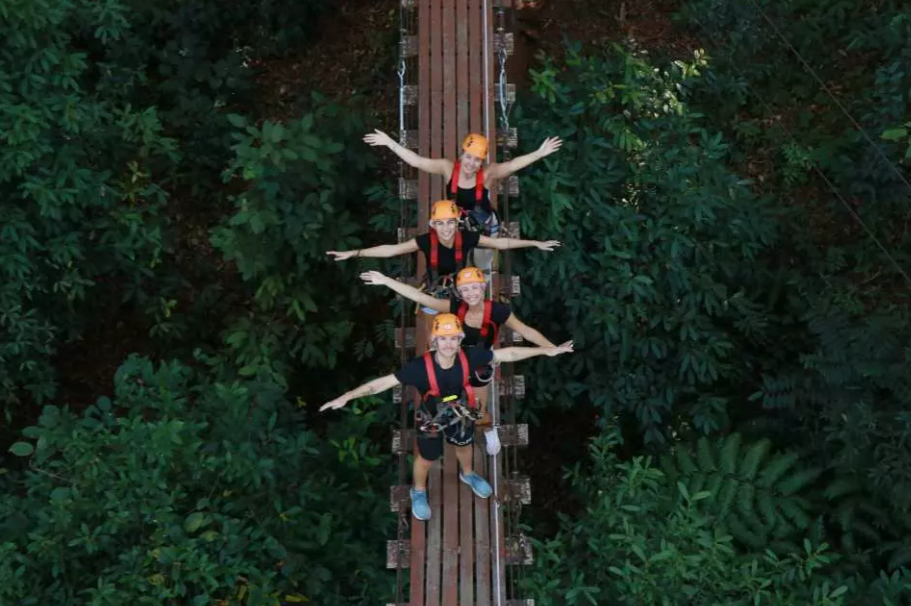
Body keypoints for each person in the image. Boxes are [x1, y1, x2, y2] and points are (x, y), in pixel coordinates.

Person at [320, 313, 573, 521]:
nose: (449, 344)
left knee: (464, 444)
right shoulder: (419, 368)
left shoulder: (470, 356)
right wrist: (348, 396)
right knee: (427, 457)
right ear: (434, 341)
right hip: (431, 416)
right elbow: (382, 384)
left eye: (453, 339)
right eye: (443, 339)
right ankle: (418, 491)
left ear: (460, 340)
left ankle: (468, 473)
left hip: (460, 412)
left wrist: (544, 350)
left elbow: (508, 354)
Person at [358, 266, 558, 454]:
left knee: (478, 407)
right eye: (465, 290)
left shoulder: (497, 311)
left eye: (474, 288)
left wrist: (549, 347)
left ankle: (488, 429)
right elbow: (419, 296)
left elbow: (524, 330)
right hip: (450, 357)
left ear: (483, 288)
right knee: (443, 397)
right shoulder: (453, 307)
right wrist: (385, 281)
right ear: (459, 293)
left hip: (478, 360)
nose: (471, 294)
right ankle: (447, 426)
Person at [326, 200, 560, 308]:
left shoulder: (466, 237)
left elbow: (501, 243)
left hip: (465, 286)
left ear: (456, 223)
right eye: (441, 224)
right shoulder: (425, 241)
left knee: (473, 312)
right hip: (437, 288)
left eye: (450, 223)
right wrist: (354, 252)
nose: (446, 229)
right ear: (432, 224)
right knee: (436, 316)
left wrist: (535, 243)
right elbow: (392, 250)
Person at [363, 130, 563, 234]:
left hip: (484, 222)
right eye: (468, 157)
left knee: (483, 258)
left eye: (476, 160)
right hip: (457, 222)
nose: (471, 163)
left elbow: (512, 165)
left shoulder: (487, 174)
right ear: (461, 155)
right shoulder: (447, 168)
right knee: (448, 247)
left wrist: (539, 153)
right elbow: (417, 161)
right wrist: (390, 143)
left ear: (481, 162)